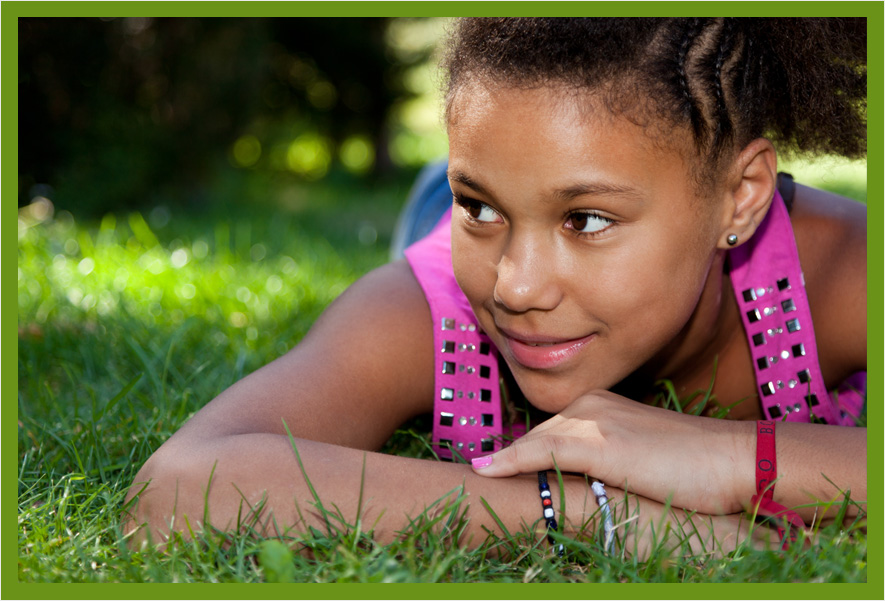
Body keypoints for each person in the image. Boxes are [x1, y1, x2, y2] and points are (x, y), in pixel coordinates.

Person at [124, 18, 867, 557]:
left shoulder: (841, 272)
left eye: (586, 219)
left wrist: (732, 457)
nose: (514, 286)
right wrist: (577, 511)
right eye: (477, 204)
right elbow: (179, 488)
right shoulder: (434, 304)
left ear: (739, 196)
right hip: (433, 213)